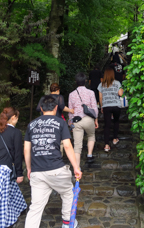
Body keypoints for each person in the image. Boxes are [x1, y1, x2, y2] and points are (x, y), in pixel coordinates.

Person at [24, 95, 82, 228]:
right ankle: (67, 223)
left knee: (36, 206)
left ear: (41, 108)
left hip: (37, 171)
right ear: (56, 108)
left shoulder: (31, 125)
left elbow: (27, 150)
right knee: (68, 193)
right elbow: (67, 146)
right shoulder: (60, 122)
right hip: (56, 169)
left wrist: (29, 168)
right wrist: (76, 168)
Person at [68, 72, 99, 165]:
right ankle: (89, 155)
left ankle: (77, 167)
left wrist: (71, 125)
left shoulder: (71, 94)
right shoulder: (91, 92)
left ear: (75, 82)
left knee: (77, 146)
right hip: (88, 119)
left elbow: (70, 110)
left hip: (76, 120)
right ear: (85, 81)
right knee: (91, 135)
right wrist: (96, 119)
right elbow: (94, 108)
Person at [98, 67, 124, 152]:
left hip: (106, 106)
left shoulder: (101, 84)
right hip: (116, 105)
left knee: (107, 124)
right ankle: (115, 139)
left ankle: (106, 145)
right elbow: (120, 94)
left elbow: (100, 98)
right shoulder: (117, 83)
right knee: (116, 121)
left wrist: (102, 107)